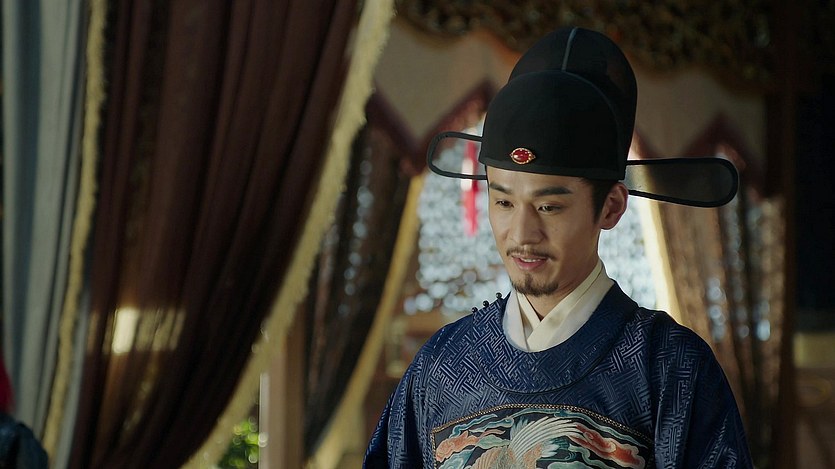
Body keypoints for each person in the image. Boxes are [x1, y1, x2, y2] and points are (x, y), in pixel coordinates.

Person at [364, 27, 752, 468]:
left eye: (549, 206)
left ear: (610, 207)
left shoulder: (670, 367)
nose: (522, 233)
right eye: (504, 202)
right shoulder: (440, 366)